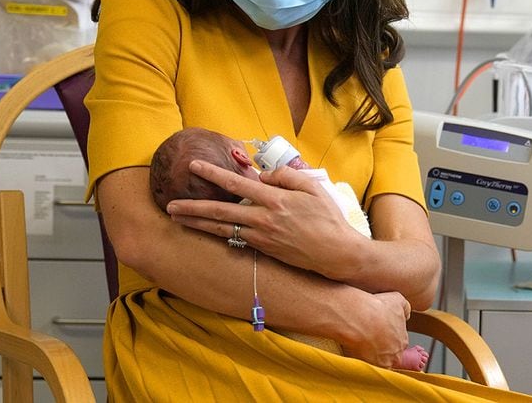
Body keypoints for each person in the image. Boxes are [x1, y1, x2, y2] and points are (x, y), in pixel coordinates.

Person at [84, 0, 532, 401]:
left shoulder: (368, 58)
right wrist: (348, 312)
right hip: (198, 348)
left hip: (347, 362)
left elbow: (420, 273)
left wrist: (334, 250)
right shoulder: (148, 6)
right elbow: (143, 238)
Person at [148, 126, 429, 371]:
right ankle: (391, 358)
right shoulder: (282, 189)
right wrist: (304, 172)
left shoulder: (209, 235)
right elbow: (334, 205)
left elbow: (424, 281)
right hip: (350, 304)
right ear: (241, 156)